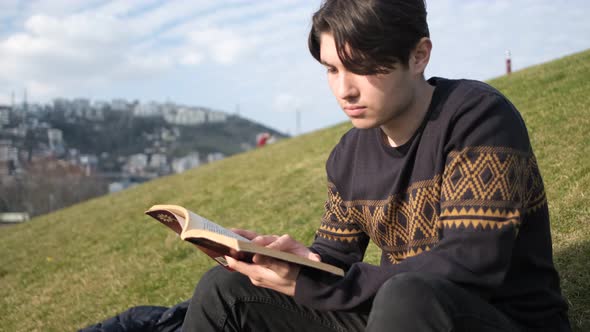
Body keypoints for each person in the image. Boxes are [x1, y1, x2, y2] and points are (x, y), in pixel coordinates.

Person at [182, 1, 571, 331]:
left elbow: (470, 263)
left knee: (406, 296)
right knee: (226, 290)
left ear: (418, 55)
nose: (344, 90)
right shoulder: (350, 152)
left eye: (363, 67)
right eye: (332, 69)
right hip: (396, 315)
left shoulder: (478, 118)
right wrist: (289, 261)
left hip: (496, 317)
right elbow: (334, 256)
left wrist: (316, 284)